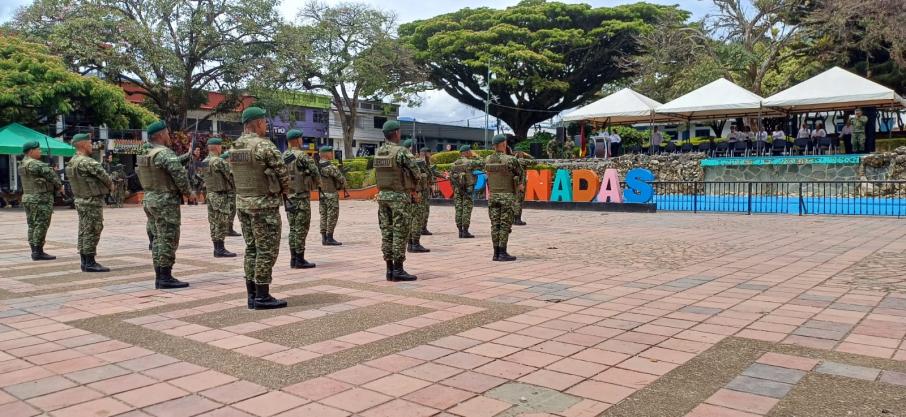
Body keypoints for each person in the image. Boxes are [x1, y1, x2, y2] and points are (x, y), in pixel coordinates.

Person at [230, 107, 290, 309]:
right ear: (255, 124)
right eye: (264, 122)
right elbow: (283, 174)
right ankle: (262, 296)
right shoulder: (264, 146)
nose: (266, 126)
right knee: (266, 250)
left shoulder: (235, 147)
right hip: (263, 205)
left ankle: (252, 295)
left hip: (243, 203)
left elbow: (231, 176)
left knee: (252, 248)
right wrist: (285, 191)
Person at [136, 121, 193, 289]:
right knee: (168, 238)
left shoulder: (146, 153)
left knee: (157, 239)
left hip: (150, 199)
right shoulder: (165, 153)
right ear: (160, 135)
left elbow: (164, 167)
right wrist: (188, 192)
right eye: (167, 133)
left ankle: (160, 276)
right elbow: (178, 173)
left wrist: (187, 156)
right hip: (165, 202)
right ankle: (166, 277)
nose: (169, 136)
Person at [374, 120, 420, 281]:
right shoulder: (401, 151)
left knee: (387, 232)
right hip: (399, 197)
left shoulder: (379, 152)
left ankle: (389, 269)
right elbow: (416, 172)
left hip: (383, 197)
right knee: (400, 232)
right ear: (396, 133)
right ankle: (398, 270)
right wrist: (415, 189)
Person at [65, 134, 113, 272]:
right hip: (92, 200)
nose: (92, 145)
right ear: (83, 144)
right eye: (90, 143)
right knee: (93, 229)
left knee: (84, 229)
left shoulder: (72, 161)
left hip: (80, 200)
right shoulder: (87, 162)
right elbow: (106, 178)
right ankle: (90, 262)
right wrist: (111, 186)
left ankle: (84, 261)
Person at [19, 140, 63, 261]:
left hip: (28, 197)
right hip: (40, 198)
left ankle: (34, 250)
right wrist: (59, 186)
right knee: (41, 224)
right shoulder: (37, 164)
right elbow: (53, 177)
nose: (40, 151)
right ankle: (38, 252)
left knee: (32, 224)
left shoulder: (22, 164)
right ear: (31, 151)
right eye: (38, 149)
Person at [282, 129, 318, 269]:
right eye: (301, 138)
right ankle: (300, 259)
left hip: (289, 198)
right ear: (297, 140)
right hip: (301, 197)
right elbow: (315, 171)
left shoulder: (283, 155)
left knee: (293, 229)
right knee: (301, 229)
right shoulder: (302, 156)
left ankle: (293, 259)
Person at [485, 134, 524, 261]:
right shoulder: (510, 160)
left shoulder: (487, 159)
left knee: (494, 225)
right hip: (507, 196)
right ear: (504, 144)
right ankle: (502, 252)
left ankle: (495, 253)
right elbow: (520, 174)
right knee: (504, 225)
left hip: (493, 197)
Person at [199, 137, 237, 258]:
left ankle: (217, 248)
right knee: (221, 222)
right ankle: (220, 249)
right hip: (220, 195)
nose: (221, 148)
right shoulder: (219, 161)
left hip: (210, 194)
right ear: (217, 147)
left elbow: (201, 176)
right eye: (220, 146)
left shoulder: (205, 161)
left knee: (214, 222)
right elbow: (231, 176)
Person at [317, 146, 347, 245]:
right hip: (331, 194)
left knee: (323, 215)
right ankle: (330, 238)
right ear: (326, 154)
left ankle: (323, 237)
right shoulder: (331, 167)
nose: (332, 154)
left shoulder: (317, 166)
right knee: (332, 216)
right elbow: (342, 180)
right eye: (330, 152)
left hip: (321, 194)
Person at [404, 140, 430, 253]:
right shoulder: (414, 161)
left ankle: (410, 243)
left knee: (409, 217)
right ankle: (415, 243)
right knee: (416, 218)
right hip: (415, 192)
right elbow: (420, 175)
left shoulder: (399, 160)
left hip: (405, 193)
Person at [450, 145, 481, 238]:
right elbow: (482, 163)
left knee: (458, 209)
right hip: (468, 189)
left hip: (457, 189)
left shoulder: (454, 164)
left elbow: (451, 178)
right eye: (470, 151)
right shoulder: (470, 162)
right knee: (466, 209)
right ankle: (465, 231)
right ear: (467, 152)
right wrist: (476, 155)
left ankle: (460, 230)